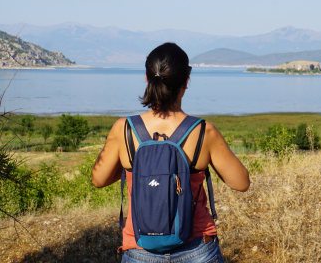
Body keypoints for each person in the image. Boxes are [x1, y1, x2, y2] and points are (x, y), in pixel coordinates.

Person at [91, 42, 250, 263]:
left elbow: (98, 179)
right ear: (186, 82)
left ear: (147, 79)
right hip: (198, 249)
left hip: (140, 250)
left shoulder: (124, 129)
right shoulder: (204, 131)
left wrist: (133, 168)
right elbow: (241, 183)